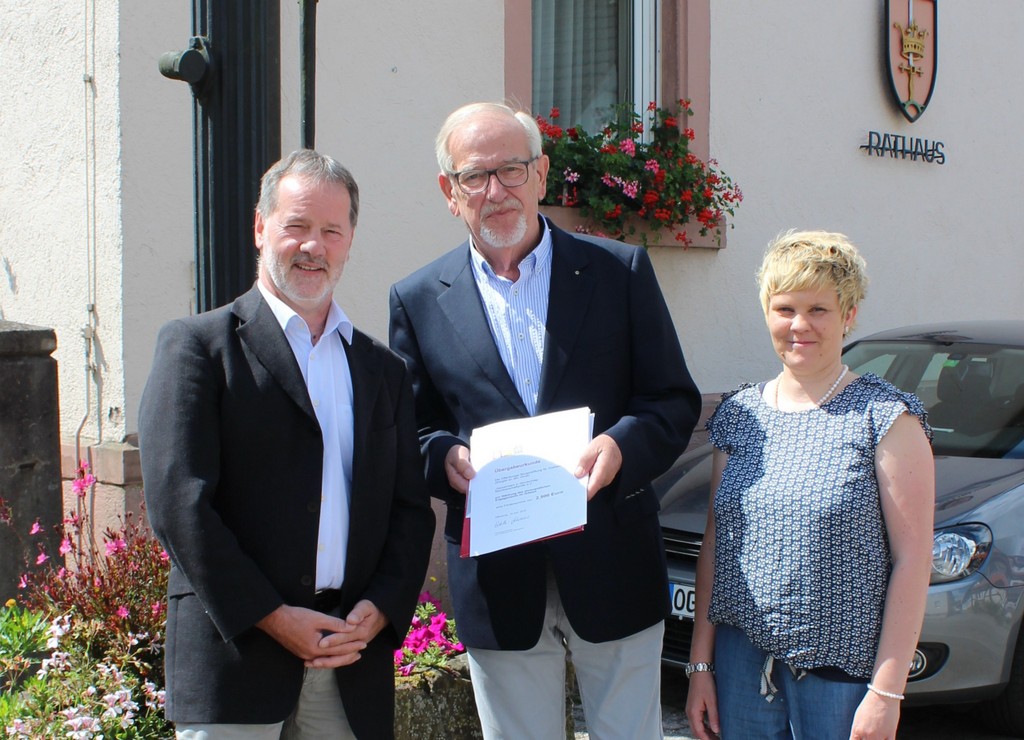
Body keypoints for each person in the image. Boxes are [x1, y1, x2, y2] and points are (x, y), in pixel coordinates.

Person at [388, 101, 702, 739]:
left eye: (512, 169)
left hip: (612, 559)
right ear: (450, 192)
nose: (496, 190)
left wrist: (622, 446)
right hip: (498, 577)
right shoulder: (417, 298)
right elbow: (409, 429)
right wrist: (444, 456)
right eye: (475, 176)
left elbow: (672, 400)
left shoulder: (619, 272)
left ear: (541, 174)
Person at [139, 149, 435, 739]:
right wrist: (273, 617)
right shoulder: (198, 347)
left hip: (349, 656)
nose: (313, 246)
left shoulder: (383, 369)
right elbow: (180, 506)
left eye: (331, 230)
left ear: (350, 240)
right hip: (235, 653)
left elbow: (409, 508)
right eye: (296, 225)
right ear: (260, 227)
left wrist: (381, 608)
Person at [684, 230, 934, 740]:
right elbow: (716, 544)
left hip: (841, 675)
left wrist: (886, 693)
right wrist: (700, 666)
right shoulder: (739, 414)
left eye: (818, 309)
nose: (799, 325)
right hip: (740, 665)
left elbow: (913, 560)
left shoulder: (885, 418)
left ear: (849, 314)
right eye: (785, 309)